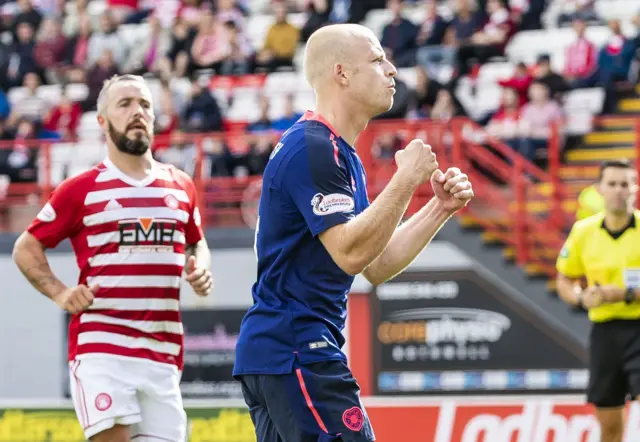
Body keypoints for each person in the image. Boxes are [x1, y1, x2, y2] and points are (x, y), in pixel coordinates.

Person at [233, 23, 474, 442]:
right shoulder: (314, 147)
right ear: (342, 73)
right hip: (297, 349)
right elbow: (349, 252)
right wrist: (406, 179)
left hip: (281, 351)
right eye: (379, 60)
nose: (393, 70)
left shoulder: (335, 151)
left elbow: (376, 263)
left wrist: (439, 207)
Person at [12, 74, 213, 442]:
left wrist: (200, 266)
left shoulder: (181, 185)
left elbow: (196, 243)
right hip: (103, 348)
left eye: (145, 105)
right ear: (102, 122)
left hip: (163, 355)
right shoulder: (81, 189)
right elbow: (26, 247)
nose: (137, 112)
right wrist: (59, 292)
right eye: (125, 104)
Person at [556, 159, 640, 442]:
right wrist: (581, 299)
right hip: (605, 333)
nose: (619, 190)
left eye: (625, 184)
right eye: (612, 184)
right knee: (610, 424)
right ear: (599, 190)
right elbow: (564, 279)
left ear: (634, 189)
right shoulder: (583, 231)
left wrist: (626, 294)